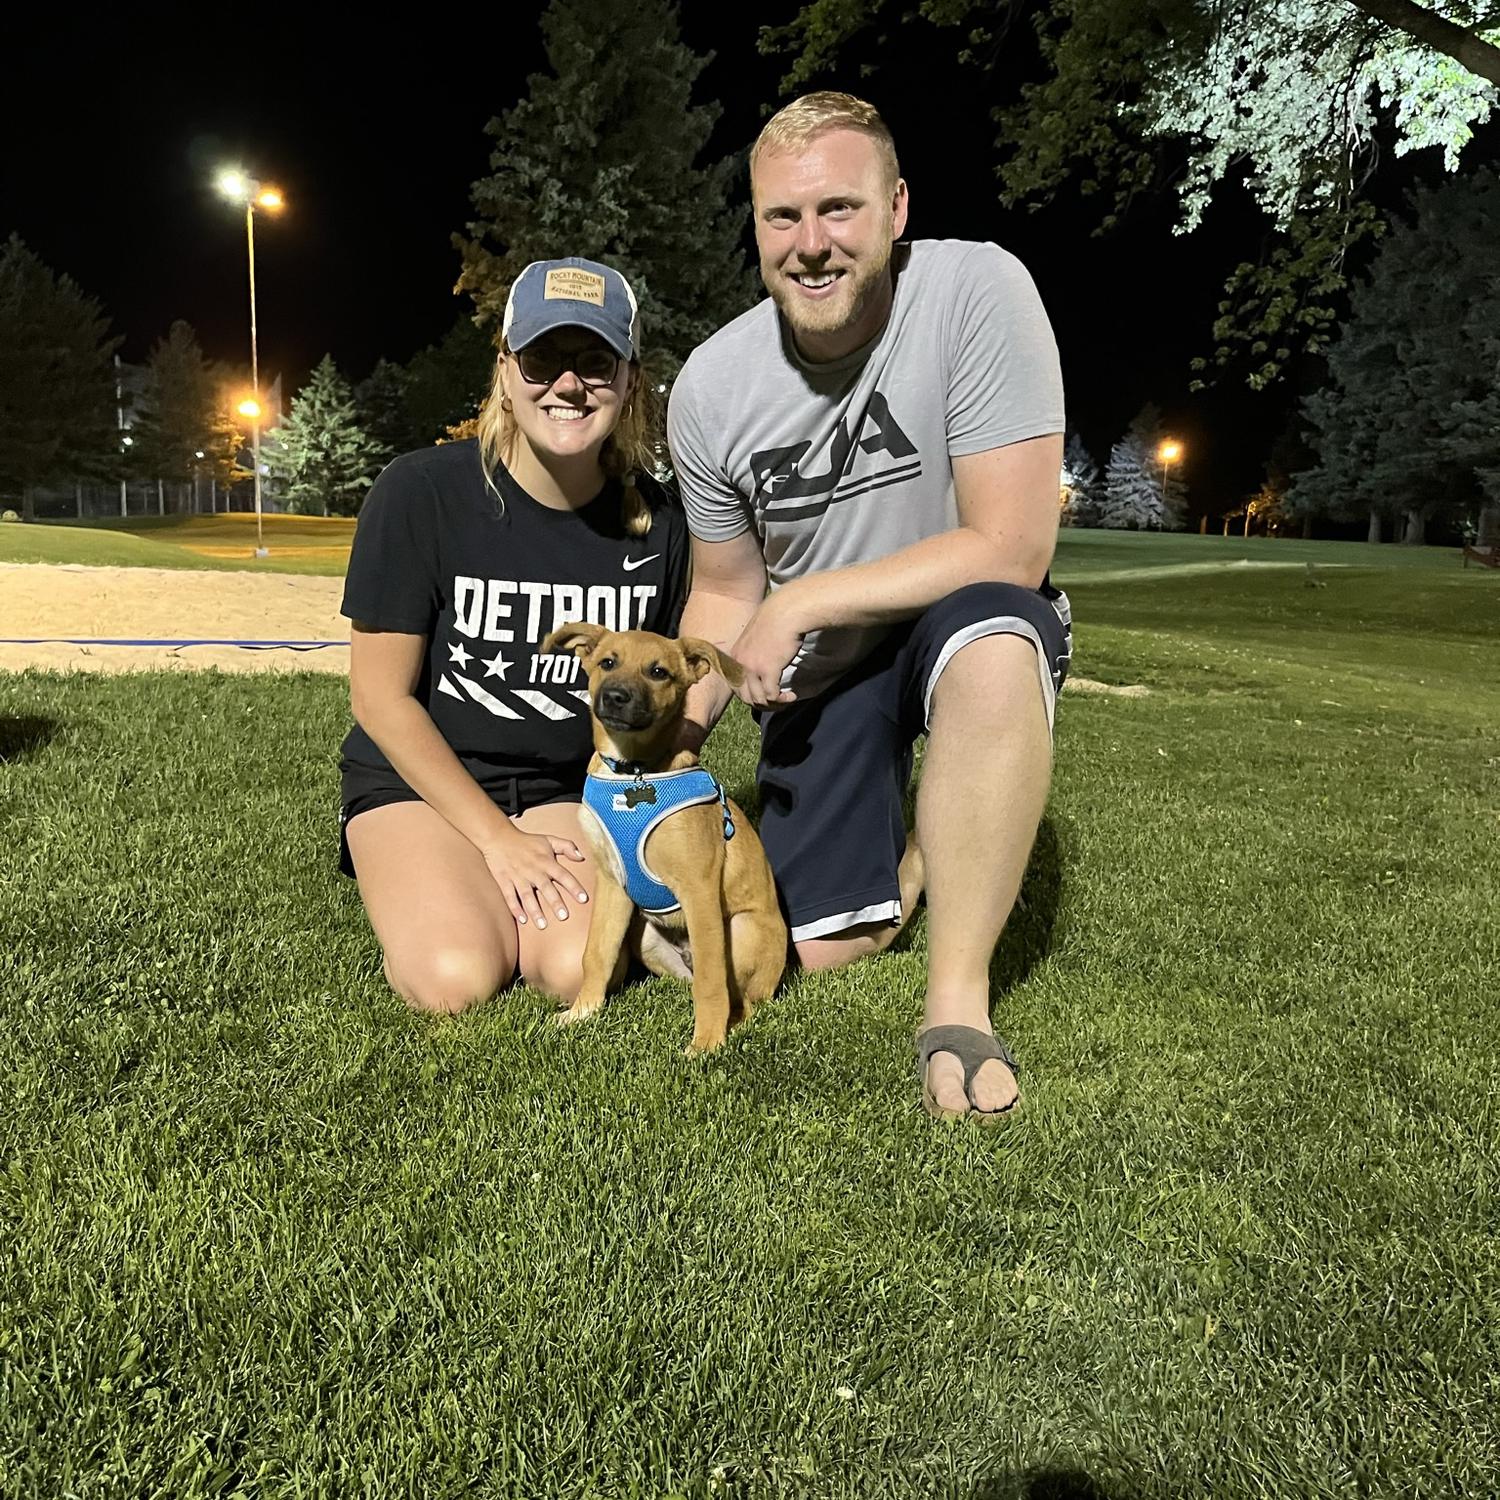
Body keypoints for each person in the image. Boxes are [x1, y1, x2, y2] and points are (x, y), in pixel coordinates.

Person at [667, 93, 1068, 1121]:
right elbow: (725, 589)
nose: (811, 244)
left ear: (896, 209)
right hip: (829, 670)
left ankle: (958, 1002)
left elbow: (1012, 546)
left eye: (838, 208)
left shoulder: (976, 291)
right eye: (782, 217)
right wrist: (673, 749)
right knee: (816, 948)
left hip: (958, 617)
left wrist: (806, 596)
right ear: (757, 227)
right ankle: (919, 850)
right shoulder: (711, 386)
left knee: (992, 635)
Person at [339, 257, 690, 1014]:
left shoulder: (660, 523)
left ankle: (494, 890)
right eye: (541, 360)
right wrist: (497, 842)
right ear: (505, 370)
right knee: (456, 975)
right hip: (421, 783)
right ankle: (443, 879)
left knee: (571, 968)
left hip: (567, 786)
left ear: (630, 380)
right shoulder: (421, 492)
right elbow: (378, 699)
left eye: (595, 362)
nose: (568, 384)